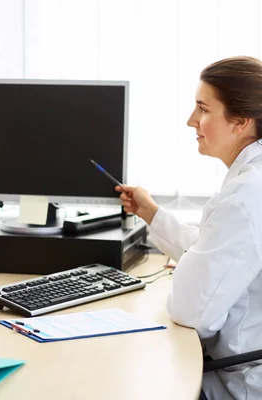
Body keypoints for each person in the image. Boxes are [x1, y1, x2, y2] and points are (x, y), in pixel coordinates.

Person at [116, 56, 262, 399]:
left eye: (203, 109)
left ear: (239, 122)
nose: (190, 120)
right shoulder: (250, 184)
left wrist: (187, 273)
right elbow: (212, 248)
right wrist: (152, 213)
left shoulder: (245, 196)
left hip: (238, 384)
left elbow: (191, 312)